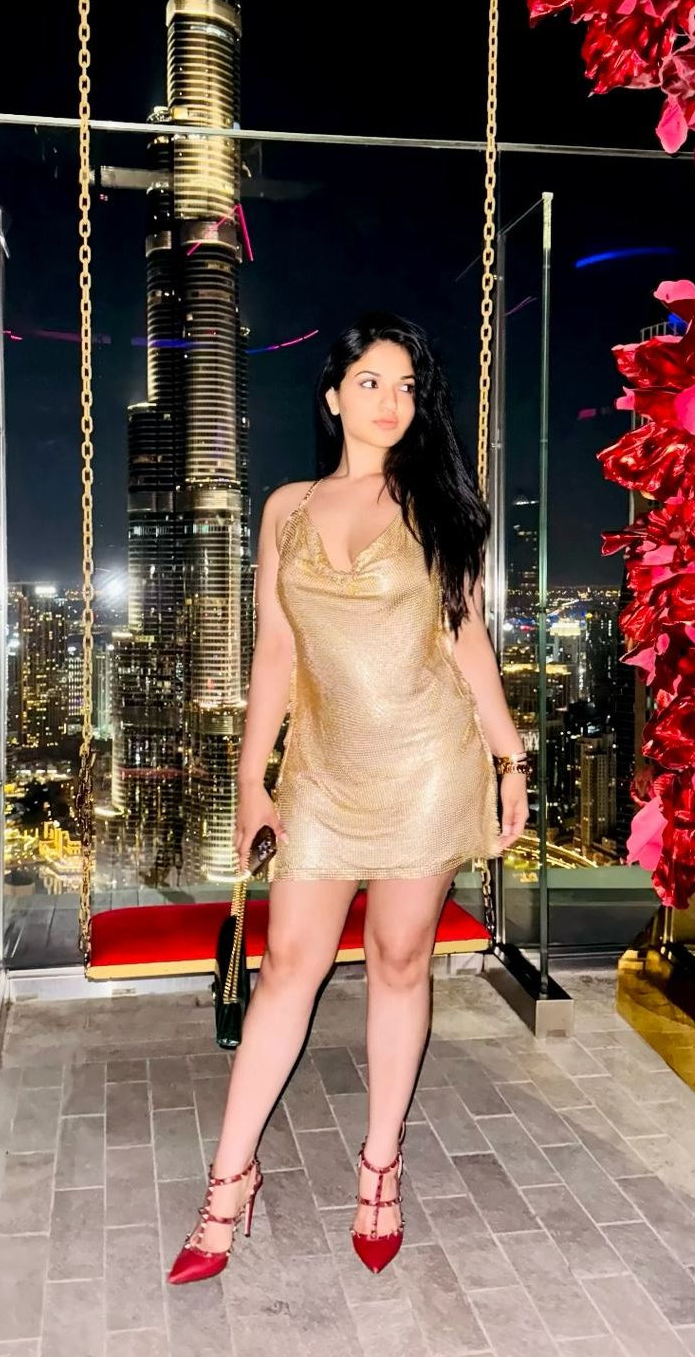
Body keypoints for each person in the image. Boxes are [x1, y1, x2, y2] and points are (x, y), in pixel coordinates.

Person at [167, 312, 529, 1285]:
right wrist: (252, 780)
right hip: (322, 774)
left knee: (400, 961)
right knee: (289, 967)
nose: (391, 401)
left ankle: (379, 1168)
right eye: (371, 381)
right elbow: (274, 653)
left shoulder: (435, 505)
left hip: (426, 766)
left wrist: (510, 759)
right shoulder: (286, 507)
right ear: (332, 396)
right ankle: (228, 1181)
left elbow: (465, 639)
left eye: (407, 386)